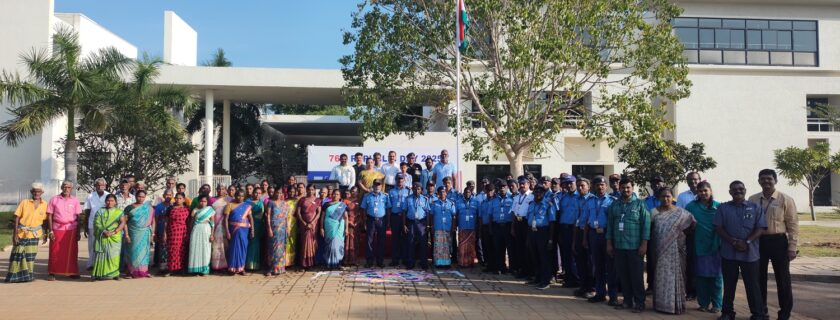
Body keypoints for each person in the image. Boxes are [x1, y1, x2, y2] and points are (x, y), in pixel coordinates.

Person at [748, 169, 798, 320]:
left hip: (778, 242)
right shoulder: (753, 199)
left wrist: (792, 247)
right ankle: (761, 311)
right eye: (762, 179)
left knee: (782, 279)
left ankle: (784, 313)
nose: (766, 182)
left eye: (769, 179)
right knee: (758, 279)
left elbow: (793, 225)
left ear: (775, 180)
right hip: (759, 242)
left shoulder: (785, 199)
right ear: (758, 181)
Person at [714, 181, 767, 320]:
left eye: (740, 189)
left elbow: (760, 228)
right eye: (734, 189)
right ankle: (727, 313)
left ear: (745, 190)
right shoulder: (723, 208)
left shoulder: (755, 207)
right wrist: (733, 241)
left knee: (753, 285)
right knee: (729, 284)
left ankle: (758, 314)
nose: (738, 191)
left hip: (750, 254)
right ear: (730, 192)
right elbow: (718, 228)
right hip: (729, 253)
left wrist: (747, 241)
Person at [606, 178, 651, 313]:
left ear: (632, 188)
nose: (626, 190)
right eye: (623, 187)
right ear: (619, 188)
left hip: (635, 247)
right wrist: (609, 244)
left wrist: (644, 244)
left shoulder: (640, 204)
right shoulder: (614, 205)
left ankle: (640, 302)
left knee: (636, 276)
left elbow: (646, 226)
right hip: (619, 246)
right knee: (623, 276)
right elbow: (610, 225)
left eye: (628, 187)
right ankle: (627, 301)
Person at [651, 188, 696, 314]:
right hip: (660, 251)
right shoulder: (654, 213)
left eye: (668, 196)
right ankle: (661, 305)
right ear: (659, 198)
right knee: (660, 276)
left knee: (678, 275)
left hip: (677, 249)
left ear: (673, 197)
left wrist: (680, 236)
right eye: (663, 196)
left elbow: (692, 225)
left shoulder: (682, 212)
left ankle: (676, 305)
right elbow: (651, 231)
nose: (665, 199)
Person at [686, 181, 722, 314]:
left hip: (716, 246)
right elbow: (685, 223)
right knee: (701, 277)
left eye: (705, 190)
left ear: (710, 191)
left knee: (716, 277)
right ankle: (703, 303)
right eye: (700, 191)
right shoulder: (691, 206)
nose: (703, 193)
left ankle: (717, 304)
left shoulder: (719, 207)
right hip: (698, 246)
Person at [582, 176, 618, 305]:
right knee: (597, 266)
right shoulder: (589, 201)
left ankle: (613, 296)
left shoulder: (613, 201)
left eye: (602, 185)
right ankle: (600, 293)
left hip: (607, 235)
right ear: (594, 186)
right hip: (593, 235)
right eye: (597, 184)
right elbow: (586, 220)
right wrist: (585, 239)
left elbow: (614, 222)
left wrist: (612, 240)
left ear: (606, 186)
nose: (600, 187)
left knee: (611, 266)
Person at [4, 182, 48, 283]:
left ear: (42, 192)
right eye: (35, 191)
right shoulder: (24, 202)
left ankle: (28, 276)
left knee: (30, 257)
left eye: (39, 192)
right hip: (21, 233)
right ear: (31, 192)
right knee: (17, 255)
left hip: (35, 234)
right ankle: (14, 277)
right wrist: (14, 234)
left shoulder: (45, 204)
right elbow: (16, 218)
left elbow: (45, 222)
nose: (37, 193)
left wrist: (45, 234)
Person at [46, 181, 82, 280]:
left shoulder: (75, 200)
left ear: (71, 189)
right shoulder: (54, 199)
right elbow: (49, 215)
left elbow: (78, 217)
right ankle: (52, 272)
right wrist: (50, 231)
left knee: (72, 251)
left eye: (69, 187)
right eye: (65, 187)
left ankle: (72, 272)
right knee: (55, 251)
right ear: (61, 187)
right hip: (57, 228)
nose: (66, 189)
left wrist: (78, 232)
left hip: (71, 229)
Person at [90, 194, 126, 281]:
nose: (110, 202)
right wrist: (104, 231)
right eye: (108, 200)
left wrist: (114, 232)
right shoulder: (100, 211)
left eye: (112, 201)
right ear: (105, 201)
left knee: (114, 255)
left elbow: (122, 223)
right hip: (102, 236)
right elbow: (96, 223)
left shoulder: (119, 212)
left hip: (114, 237)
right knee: (101, 255)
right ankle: (98, 274)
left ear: (115, 202)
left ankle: (115, 274)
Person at [526, 186, 556, 290]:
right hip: (532, 231)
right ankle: (538, 278)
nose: (538, 193)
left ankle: (545, 281)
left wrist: (551, 239)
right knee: (535, 256)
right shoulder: (531, 204)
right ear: (533, 192)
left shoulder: (548, 204)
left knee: (544, 258)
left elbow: (552, 222)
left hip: (543, 232)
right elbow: (528, 219)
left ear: (544, 193)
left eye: (541, 192)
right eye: (536, 191)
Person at [124, 191, 155, 278]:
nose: (141, 199)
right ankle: (131, 272)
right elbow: (124, 222)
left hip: (145, 233)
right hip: (133, 233)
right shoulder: (129, 208)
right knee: (133, 252)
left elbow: (153, 221)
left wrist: (153, 233)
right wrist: (126, 234)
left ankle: (144, 271)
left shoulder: (148, 208)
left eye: (143, 197)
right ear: (136, 197)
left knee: (144, 252)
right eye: (139, 196)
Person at [573, 177, 594, 298]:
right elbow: (576, 220)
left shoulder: (592, 199)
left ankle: (591, 287)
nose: (580, 188)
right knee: (580, 261)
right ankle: (583, 286)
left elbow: (588, 220)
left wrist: (585, 238)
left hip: (589, 232)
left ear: (588, 186)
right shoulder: (577, 199)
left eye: (583, 186)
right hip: (578, 231)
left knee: (590, 262)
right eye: (579, 186)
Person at [557, 175, 580, 287]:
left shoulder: (580, 197)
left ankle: (576, 279)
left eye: (571, 183)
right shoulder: (564, 197)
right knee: (565, 254)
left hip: (575, 229)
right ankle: (569, 278)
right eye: (567, 183)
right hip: (564, 228)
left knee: (574, 254)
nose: (569, 185)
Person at [361, 181, 390, 268]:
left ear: (381, 186)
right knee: (369, 241)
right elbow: (363, 209)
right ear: (372, 186)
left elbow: (388, 209)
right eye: (375, 185)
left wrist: (388, 221)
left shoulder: (385, 196)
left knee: (381, 241)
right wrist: (364, 221)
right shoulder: (367, 196)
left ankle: (380, 261)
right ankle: (369, 261)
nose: (377, 186)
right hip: (370, 220)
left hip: (382, 220)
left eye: (379, 185)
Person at [224, 191, 253, 275]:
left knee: (243, 248)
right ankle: (232, 268)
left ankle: (241, 268)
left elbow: (251, 219)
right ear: (235, 196)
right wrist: (227, 231)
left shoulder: (247, 206)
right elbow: (226, 219)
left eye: (242, 196)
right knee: (233, 248)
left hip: (244, 231)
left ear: (244, 197)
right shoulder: (230, 205)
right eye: (238, 196)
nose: (240, 198)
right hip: (234, 230)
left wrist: (252, 230)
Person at [403, 182, 431, 270]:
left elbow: (427, 213)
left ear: (421, 190)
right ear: (412, 189)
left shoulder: (425, 199)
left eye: (418, 189)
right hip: (411, 223)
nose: (416, 190)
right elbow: (404, 212)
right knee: (410, 243)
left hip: (422, 223)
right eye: (415, 188)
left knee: (423, 243)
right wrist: (404, 224)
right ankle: (410, 263)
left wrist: (428, 225)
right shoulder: (408, 199)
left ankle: (424, 263)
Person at [510, 177, 534, 279]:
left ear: (528, 184)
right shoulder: (517, 197)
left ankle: (530, 271)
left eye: (524, 184)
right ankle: (522, 270)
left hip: (527, 223)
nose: (522, 186)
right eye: (520, 184)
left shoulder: (532, 196)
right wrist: (513, 227)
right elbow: (514, 213)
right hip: (518, 223)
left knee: (528, 248)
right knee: (519, 247)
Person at [84, 178, 109, 270]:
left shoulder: (109, 195)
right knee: (92, 245)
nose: (100, 186)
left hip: (106, 225)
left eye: (102, 185)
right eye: (98, 185)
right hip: (92, 224)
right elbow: (87, 211)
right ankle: (91, 264)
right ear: (95, 186)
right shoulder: (90, 196)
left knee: (103, 245)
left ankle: (102, 264)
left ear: (105, 186)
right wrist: (85, 226)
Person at [296, 184, 321, 270]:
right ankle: (304, 263)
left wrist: (312, 222)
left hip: (313, 225)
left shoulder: (318, 200)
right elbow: (298, 213)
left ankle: (311, 263)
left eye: (312, 190)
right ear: (306, 190)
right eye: (309, 189)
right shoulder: (302, 200)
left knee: (312, 243)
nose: (310, 191)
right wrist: (303, 223)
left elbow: (318, 213)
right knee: (304, 243)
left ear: (314, 191)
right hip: (304, 225)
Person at [165, 193, 191, 275]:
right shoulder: (170, 208)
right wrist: (164, 233)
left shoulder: (187, 209)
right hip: (172, 231)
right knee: (172, 250)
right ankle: (171, 269)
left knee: (182, 250)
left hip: (182, 231)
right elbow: (166, 222)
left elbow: (189, 222)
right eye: (176, 198)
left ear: (183, 199)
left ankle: (181, 269)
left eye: (180, 198)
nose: (178, 200)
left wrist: (189, 233)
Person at [188, 195, 214, 276]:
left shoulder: (210, 210)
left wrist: (212, 234)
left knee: (205, 249)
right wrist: (189, 232)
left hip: (206, 229)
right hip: (196, 230)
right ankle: (195, 269)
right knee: (195, 248)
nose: (203, 203)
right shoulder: (195, 210)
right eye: (201, 201)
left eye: (205, 201)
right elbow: (191, 223)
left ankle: (204, 270)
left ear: (207, 202)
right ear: (198, 201)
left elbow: (213, 223)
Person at [321, 189, 347, 270]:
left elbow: (346, 218)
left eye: (337, 194)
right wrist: (321, 228)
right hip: (329, 227)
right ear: (331, 195)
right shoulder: (326, 205)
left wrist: (346, 229)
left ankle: (338, 263)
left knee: (337, 244)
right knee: (329, 245)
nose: (335, 196)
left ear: (340, 196)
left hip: (339, 227)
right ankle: (328, 264)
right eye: (334, 194)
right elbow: (322, 217)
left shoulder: (342, 205)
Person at [388, 174, 410, 267]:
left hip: (405, 218)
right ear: (395, 180)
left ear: (404, 180)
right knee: (395, 239)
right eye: (398, 179)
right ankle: (395, 260)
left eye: (401, 179)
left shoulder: (408, 191)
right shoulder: (391, 191)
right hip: (395, 217)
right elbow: (389, 207)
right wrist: (389, 221)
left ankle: (405, 259)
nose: (400, 181)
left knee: (405, 239)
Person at [431, 187, 456, 268]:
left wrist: (453, 227)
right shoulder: (434, 204)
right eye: (440, 192)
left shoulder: (451, 203)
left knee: (447, 247)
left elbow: (454, 216)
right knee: (438, 247)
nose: (442, 193)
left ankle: (447, 263)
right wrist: (431, 226)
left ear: (446, 193)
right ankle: (438, 263)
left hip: (447, 228)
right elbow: (431, 215)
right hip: (438, 228)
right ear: (438, 193)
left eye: (444, 192)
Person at [492, 182, 514, 274]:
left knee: (510, 248)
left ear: (507, 188)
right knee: (498, 248)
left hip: (508, 226)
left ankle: (512, 268)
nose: (502, 189)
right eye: (500, 187)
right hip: (497, 226)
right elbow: (491, 214)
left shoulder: (512, 198)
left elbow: (514, 214)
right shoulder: (495, 199)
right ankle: (500, 267)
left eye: (504, 187)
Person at [266, 189, 290, 275]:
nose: (278, 194)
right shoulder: (271, 203)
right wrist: (269, 228)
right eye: (277, 192)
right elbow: (268, 216)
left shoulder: (284, 204)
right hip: (274, 228)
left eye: (280, 193)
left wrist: (287, 228)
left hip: (282, 229)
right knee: (273, 248)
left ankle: (281, 268)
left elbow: (286, 217)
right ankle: (272, 268)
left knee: (282, 248)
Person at [457, 188, 480, 268]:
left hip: (472, 227)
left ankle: (470, 263)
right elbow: (455, 215)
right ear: (463, 193)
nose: (467, 193)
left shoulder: (476, 202)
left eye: (469, 192)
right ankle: (462, 263)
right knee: (462, 246)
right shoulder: (458, 202)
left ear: (471, 193)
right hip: (462, 227)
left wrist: (478, 226)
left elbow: (478, 215)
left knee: (471, 246)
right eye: (466, 192)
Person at [244, 187, 266, 271]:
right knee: (249, 244)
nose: (257, 195)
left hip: (259, 225)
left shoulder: (261, 203)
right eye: (256, 193)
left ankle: (255, 265)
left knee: (256, 245)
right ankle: (248, 265)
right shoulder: (247, 202)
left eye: (259, 193)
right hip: (249, 224)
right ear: (253, 193)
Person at [479, 184, 498, 273]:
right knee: (486, 246)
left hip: (494, 226)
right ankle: (489, 265)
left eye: (491, 190)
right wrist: (480, 228)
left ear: (494, 191)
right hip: (485, 226)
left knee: (495, 246)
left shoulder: (497, 201)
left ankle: (496, 266)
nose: (489, 192)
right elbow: (480, 216)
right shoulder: (483, 202)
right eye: (488, 190)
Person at [210, 186, 229, 272]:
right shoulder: (212, 200)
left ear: (225, 190)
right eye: (219, 189)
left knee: (225, 245)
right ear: (216, 189)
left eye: (222, 189)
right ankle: (216, 266)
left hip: (225, 225)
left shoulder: (229, 200)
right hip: (215, 225)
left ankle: (226, 265)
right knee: (216, 245)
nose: (220, 191)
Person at [153, 189, 173, 271]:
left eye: (170, 195)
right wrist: (155, 231)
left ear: (172, 196)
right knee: (162, 246)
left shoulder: (173, 206)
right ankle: (161, 266)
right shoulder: (159, 206)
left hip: (172, 228)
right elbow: (156, 219)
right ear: (164, 196)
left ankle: (170, 264)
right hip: (161, 228)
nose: (168, 196)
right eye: (167, 195)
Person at [285, 183, 304, 268]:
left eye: (293, 191)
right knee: (286, 242)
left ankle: (293, 262)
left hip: (295, 223)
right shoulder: (284, 201)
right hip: (285, 223)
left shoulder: (298, 201)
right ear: (287, 192)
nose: (291, 193)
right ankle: (286, 261)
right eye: (290, 191)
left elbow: (300, 213)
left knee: (293, 241)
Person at [343, 188, 362, 266]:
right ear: (350, 192)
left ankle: (355, 260)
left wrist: (357, 222)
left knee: (355, 242)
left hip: (356, 224)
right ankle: (347, 260)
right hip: (347, 223)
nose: (354, 193)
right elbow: (343, 213)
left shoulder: (360, 201)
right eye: (353, 191)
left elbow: (361, 213)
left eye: (356, 191)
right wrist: (349, 222)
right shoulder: (345, 201)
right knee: (347, 242)